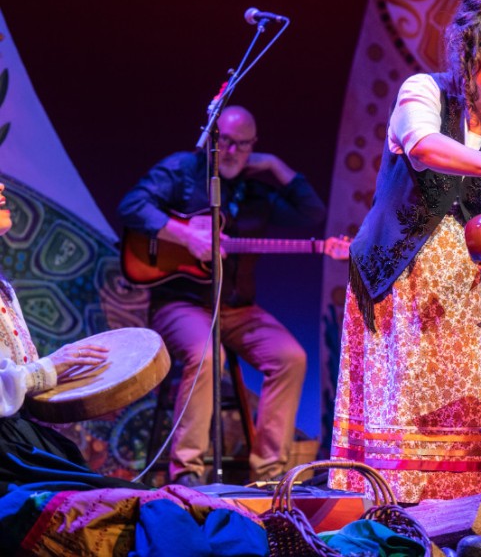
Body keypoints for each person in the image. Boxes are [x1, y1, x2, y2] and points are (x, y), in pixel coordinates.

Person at [329, 0, 481, 504]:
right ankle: (399, 507)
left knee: (473, 406)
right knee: (406, 400)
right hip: (405, 279)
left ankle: (478, 516)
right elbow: (422, 146)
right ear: (472, 49)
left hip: (478, 284)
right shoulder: (423, 91)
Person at [118, 105, 326, 486]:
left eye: (242, 145)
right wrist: (186, 236)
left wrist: (277, 166)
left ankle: (269, 475)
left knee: (291, 357)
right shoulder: (182, 169)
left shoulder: (255, 187)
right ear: (211, 138)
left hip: (236, 309)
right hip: (181, 304)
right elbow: (132, 206)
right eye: (225, 141)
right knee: (206, 355)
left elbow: (312, 214)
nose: (232, 152)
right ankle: (188, 474)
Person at [0, 182, 149, 494]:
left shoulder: (4, 288)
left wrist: (74, 389)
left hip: (18, 438)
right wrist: (48, 368)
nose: (2, 186)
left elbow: (16, 384)